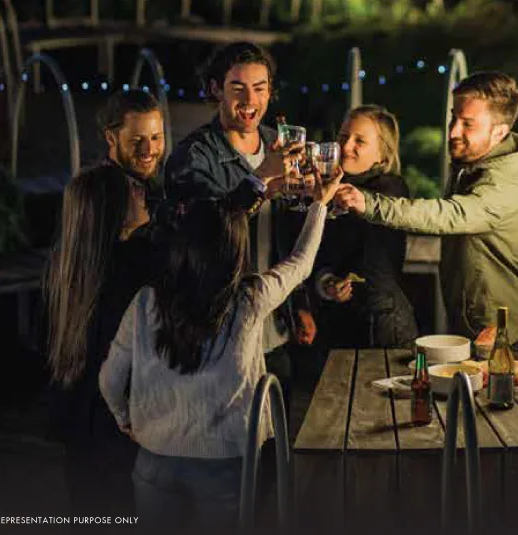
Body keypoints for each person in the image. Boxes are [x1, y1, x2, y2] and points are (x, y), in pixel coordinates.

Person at [98, 169, 343, 533]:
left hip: (155, 457)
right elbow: (301, 264)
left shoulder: (147, 301)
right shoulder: (249, 299)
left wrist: (125, 419)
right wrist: (319, 205)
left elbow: (110, 379)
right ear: (236, 250)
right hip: (226, 460)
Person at [334, 72, 518, 341]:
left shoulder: (500, 186)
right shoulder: (473, 166)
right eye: (454, 118)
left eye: (467, 124)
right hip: (478, 324)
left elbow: (444, 214)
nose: (453, 131)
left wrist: (368, 203)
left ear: (499, 132)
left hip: (500, 332)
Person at [164, 41, 314, 410]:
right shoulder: (194, 155)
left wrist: (299, 303)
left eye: (260, 88)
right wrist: (261, 179)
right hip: (218, 330)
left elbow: (286, 234)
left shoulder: (277, 144)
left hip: (274, 327)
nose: (250, 100)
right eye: (238, 88)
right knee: (225, 437)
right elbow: (205, 231)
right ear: (216, 89)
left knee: (277, 435)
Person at [45, 89, 165, 517]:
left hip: (84, 396)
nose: (150, 150)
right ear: (111, 138)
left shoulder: (79, 260)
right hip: (112, 403)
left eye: (156, 138)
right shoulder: (104, 196)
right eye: (138, 140)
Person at [312, 104, 418, 349]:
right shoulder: (332, 188)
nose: (346, 146)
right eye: (343, 137)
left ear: (382, 154)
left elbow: (371, 263)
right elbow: (323, 256)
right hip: (339, 326)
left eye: (359, 141)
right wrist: (327, 283)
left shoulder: (390, 189)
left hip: (382, 326)